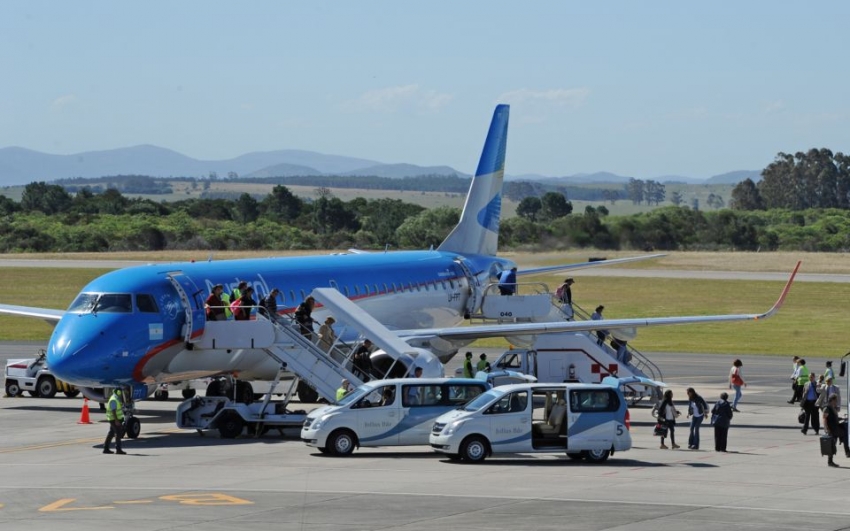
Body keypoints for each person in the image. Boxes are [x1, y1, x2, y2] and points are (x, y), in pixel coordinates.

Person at [103, 388, 127, 455]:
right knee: (118, 433)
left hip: (113, 419)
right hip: (114, 419)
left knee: (111, 433)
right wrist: (116, 420)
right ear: (118, 392)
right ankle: (118, 450)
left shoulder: (115, 398)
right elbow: (113, 411)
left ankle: (106, 448)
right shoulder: (114, 399)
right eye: (121, 392)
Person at [822, 394, 841, 467]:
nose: (836, 401)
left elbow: (834, 417)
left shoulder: (833, 407)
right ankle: (830, 462)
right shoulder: (827, 408)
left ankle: (831, 461)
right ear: (832, 400)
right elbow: (824, 419)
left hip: (834, 429)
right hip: (830, 430)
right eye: (836, 400)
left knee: (833, 445)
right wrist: (827, 429)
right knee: (831, 445)